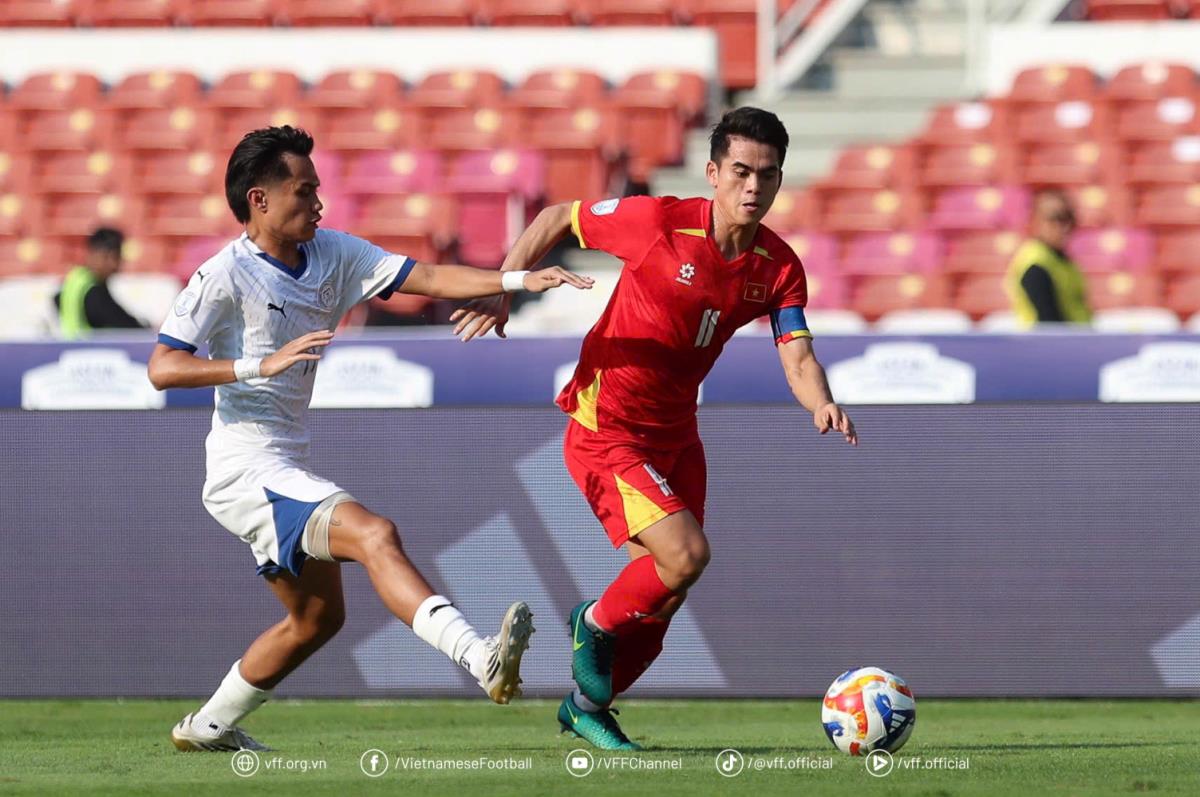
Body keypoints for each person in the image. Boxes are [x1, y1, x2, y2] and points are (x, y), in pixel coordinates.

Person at [148, 126, 593, 752]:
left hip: (284, 459)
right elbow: (163, 367)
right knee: (375, 533)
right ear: (260, 200)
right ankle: (479, 658)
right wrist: (259, 366)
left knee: (316, 619)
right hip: (244, 467)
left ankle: (207, 727)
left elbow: (429, 276)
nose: (318, 203)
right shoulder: (224, 274)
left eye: (318, 189)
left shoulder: (333, 251)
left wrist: (515, 282)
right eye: (304, 191)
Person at [450, 107, 857, 750]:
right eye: (741, 171)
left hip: (677, 435)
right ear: (713, 173)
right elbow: (556, 217)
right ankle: (591, 623)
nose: (753, 186)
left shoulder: (778, 267)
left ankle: (587, 707)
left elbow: (797, 354)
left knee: (666, 596)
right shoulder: (659, 223)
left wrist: (821, 403)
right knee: (686, 555)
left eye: (768, 174)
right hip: (607, 427)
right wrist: (504, 287)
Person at [1005, 189, 1091, 328]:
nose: (1065, 226)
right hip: (1047, 340)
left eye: (1069, 218)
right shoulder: (1035, 265)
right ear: (1035, 221)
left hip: (1079, 337)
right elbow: (1050, 322)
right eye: (1056, 218)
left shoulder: (1062, 260)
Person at [55, 226, 145, 338]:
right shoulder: (93, 292)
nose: (115, 265)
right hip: (89, 348)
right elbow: (122, 323)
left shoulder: (74, 280)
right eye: (114, 257)